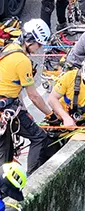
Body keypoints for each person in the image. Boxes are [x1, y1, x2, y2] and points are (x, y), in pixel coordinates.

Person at [0, 20, 54, 172]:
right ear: (30, 40)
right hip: (7, 108)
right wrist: (50, 114)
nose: (39, 48)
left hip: (7, 104)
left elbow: (16, 89)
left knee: (6, 152)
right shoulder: (22, 61)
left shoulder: (10, 49)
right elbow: (34, 96)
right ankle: (32, 181)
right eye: (39, 44)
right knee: (38, 137)